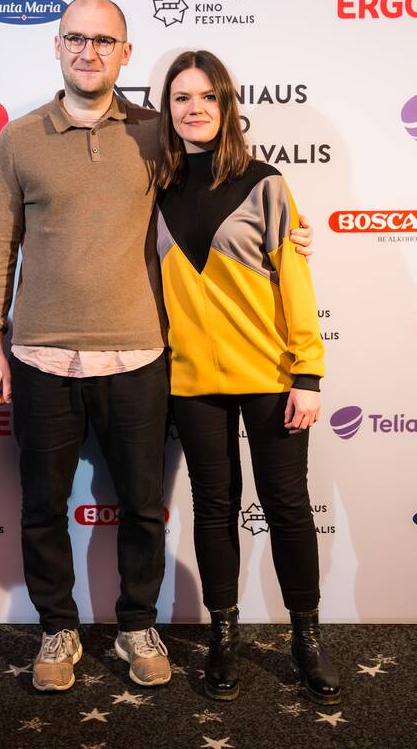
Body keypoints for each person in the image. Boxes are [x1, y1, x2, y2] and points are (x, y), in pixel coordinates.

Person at [0, 0, 312, 693]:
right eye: (76, 37)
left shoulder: (157, 134)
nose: (89, 51)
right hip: (40, 356)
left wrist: (293, 232)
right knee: (42, 507)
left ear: (125, 54)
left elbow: (223, 186)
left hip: (138, 356)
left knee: (140, 505)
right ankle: (56, 628)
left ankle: (136, 624)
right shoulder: (18, 139)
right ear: (57, 46)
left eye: (104, 40)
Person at [155, 50, 340, 705]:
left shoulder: (266, 183)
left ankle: (305, 637)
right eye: (181, 97)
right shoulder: (153, 188)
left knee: (286, 505)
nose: (195, 108)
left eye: (207, 96)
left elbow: (294, 281)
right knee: (213, 506)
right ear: (166, 108)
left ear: (227, 105)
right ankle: (223, 634)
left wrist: (307, 372)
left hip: (269, 374)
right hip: (190, 380)